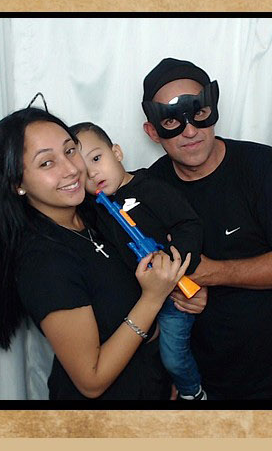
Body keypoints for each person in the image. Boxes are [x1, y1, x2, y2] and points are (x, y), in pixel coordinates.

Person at [137, 58, 272, 401]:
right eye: (172, 121)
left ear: (212, 109)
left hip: (270, 384)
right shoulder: (149, 189)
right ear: (153, 131)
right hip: (194, 386)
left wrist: (213, 273)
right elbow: (142, 271)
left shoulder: (261, 165)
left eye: (198, 113)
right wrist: (175, 291)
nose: (190, 131)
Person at [0, 103, 187, 402]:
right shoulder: (42, 263)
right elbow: (91, 380)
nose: (72, 169)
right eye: (46, 163)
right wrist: (153, 297)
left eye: (70, 151)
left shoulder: (96, 212)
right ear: (17, 184)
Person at [73, 121, 207, 401]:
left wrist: (174, 264)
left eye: (96, 159)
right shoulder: (97, 209)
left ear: (117, 152)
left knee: (173, 357)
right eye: (82, 172)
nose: (93, 173)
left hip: (173, 294)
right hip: (138, 302)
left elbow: (189, 224)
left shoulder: (152, 188)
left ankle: (193, 393)